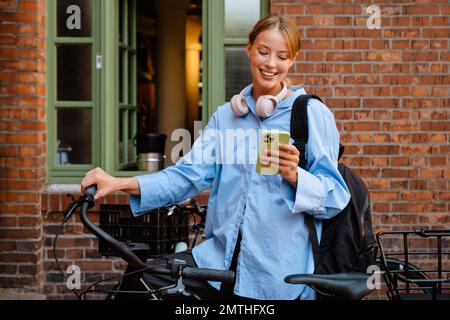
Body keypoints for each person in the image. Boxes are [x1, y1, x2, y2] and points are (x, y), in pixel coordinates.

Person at [81, 14, 350, 300]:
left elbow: (335, 198)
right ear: (249, 49)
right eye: (263, 52)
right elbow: (186, 176)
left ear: (292, 60)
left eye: (282, 56)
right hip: (217, 263)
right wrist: (119, 183)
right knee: (141, 282)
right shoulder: (225, 118)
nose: (271, 64)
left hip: (278, 276)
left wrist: (296, 177)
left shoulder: (310, 114)